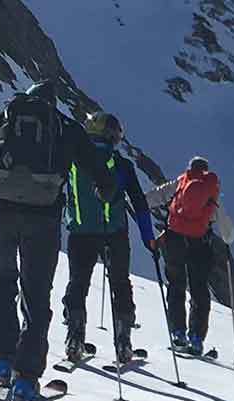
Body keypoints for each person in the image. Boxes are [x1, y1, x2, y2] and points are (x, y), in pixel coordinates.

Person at [0, 81, 110, 401]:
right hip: (41, 219)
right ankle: (26, 379)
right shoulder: (63, 126)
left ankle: (2, 364)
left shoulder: (2, 117)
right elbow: (96, 169)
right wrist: (106, 189)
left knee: (1, 282)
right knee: (35, 293)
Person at [58, 111, 154, 364]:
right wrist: (149, 238)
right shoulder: (121, 164)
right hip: (114, 234)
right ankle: (123, 343)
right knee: (120, 284)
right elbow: (139, 202)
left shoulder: (73, 159)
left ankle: (74, 339)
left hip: (80, 233)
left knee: (78, 283)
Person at [152, 156, 223, 358]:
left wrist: (133, 200)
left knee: (176, 285)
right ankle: (197, 338)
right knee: (199, 289)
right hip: (199, 243)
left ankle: (178, 334)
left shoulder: (182, 181)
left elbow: (158, 195)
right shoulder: (211, 189)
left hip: (175, 240)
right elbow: (221, 220)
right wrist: (229, 236)